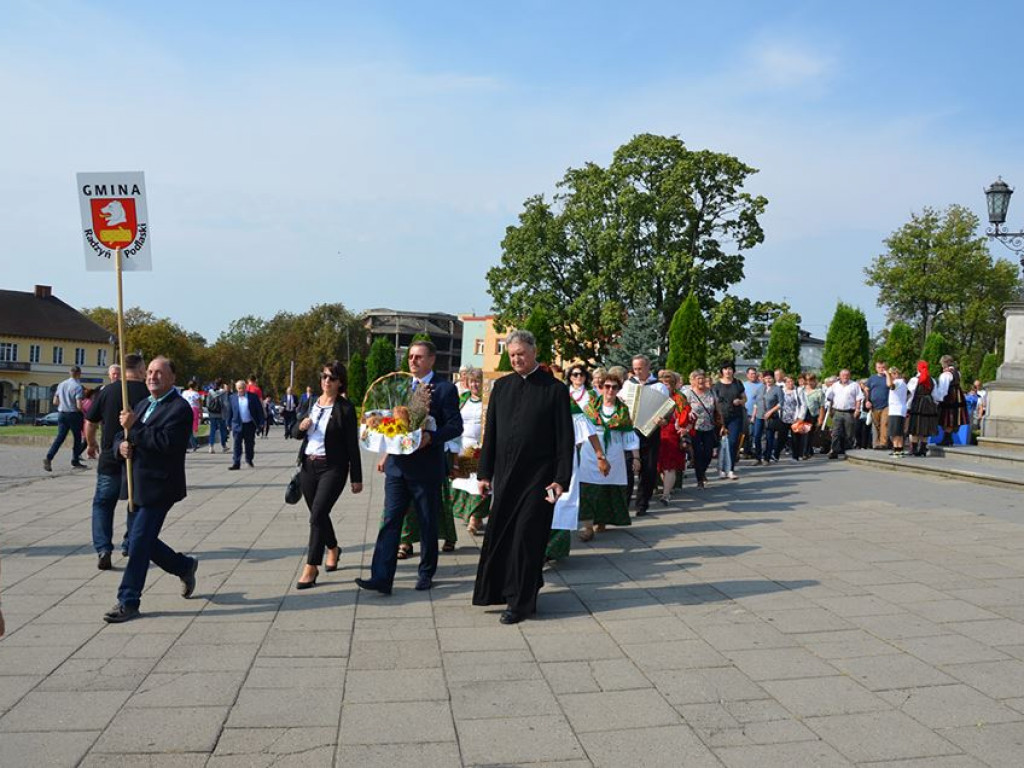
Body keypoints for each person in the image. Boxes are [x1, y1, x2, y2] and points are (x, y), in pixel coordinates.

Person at [472, 331, 573, 624]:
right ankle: (508, 590)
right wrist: (484, 473)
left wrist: (561, 480)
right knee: (502, 536)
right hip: (506, 477)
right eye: (512, 354)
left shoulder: (554, 390)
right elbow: (491, 435)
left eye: (521, 354)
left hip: (540, 480)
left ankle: (520, 602)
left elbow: (564, 440)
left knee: (526, 537)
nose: (516, 358)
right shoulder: (501, 387)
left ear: (534, 352)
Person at [357, 340, 462, 595]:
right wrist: (381, 438)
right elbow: (393, 421)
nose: (412, 361)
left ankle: (426, 573)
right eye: (411, 357)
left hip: (426, 468)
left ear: (431, 360)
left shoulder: (444, 389)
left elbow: (455, 426)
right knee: (390, 520)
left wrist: (431, 438)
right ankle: (381, 577)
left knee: (427, 522)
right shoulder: (401, 385)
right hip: (397, 467)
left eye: (418, 357)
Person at [103, 356, 199, 623]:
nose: (152, 377)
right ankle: (184, 566)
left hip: (159, 486)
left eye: (159, 373)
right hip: (136, 484)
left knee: (139, 544)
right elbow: (119, 437)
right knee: (137, 541)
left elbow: (167, 444)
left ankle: (128, 600)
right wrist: (120, 448)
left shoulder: (179, 409)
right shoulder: (143, 404)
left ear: (172, 378)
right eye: (150, 372)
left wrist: (135, 428)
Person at [292, 361, 363, 589]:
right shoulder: (312, 403)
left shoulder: (345, 408)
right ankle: (333, 547)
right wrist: (301, 427)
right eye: (323, 376)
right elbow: (293, 432)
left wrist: (356, 477)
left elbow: (352, 445)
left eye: (331, 378)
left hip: (333, 468)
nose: (326, 381)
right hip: (308, 467)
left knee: (317, 515)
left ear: (340, 382)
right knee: (319, 514)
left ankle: (311, 567)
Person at [85, 354, 149, 569]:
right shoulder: (148, 393)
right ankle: (130, 544)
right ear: (140, 370)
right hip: (138, 458)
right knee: (136, 503)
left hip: (109, 458)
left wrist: (91, 443)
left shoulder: (108, 391)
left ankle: (103, 548)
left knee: (103, 503)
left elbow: (90, 421)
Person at [577, 370, 636, 541]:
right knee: (588, 489)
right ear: (600, 388)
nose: (610, 390)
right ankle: (587, 527)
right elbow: (581, 430)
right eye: (606, 387)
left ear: (618, 389)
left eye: (614, 387)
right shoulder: (590, 407)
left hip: (615, 452)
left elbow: (629, 435)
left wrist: (636, 456)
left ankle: (601, 521)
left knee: (606, 489)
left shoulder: (623, 410)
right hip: (590, 452)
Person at [626, 355, 670, 516]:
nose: (637, 372)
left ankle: (642, 504)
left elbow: (667, 409)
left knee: (649, 469)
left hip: (650, 432)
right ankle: (625, 502)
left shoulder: (659, 387)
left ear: (647, 367)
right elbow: (621, 403)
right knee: (627, 467)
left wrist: (663, 419)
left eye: (640, 368)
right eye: (635, 369)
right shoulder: (628, 384)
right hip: (630, 430)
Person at [450, 368, 489, 535]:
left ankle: (475, 518)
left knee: (479, 482)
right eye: (472, 381)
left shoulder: (488, 400)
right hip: (463, 445)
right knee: (464, 482)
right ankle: (473, 516)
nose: (475, 384)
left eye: (478, 381)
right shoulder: (463, 399)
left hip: (482, 446)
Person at [44, 365, 87, 471]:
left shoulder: (61, 384)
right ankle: (75, 460)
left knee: (60, 437)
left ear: (70, 373)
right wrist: (84, 413)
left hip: (62, 413)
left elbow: (55, 401)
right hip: (74, 414)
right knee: (77, 438)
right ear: (79, 374)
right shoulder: (77, 386)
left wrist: (63, 403)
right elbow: (78, 405)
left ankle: (49, 456)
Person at [656, 371, 690, 504]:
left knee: (669, 466)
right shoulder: (656, 397)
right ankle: (665, 486)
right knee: (659, 464)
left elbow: (685, 415)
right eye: (663, 384)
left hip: (672, 434)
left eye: (668, 385)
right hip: (656, 434)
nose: (666, 387)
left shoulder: (679, 398)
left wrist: (684, 427)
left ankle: (666, 494)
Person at [685, 370, 719, 489]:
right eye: (698, 378)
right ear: (693, 380)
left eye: (702, 378)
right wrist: (688, 413)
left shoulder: (711, 392)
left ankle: (702, 471)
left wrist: (722, 423)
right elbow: (683, 409)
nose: (701, 381)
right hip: (695, 428)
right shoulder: (689, 394)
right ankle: (700, 479)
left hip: (709, 427)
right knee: (698, 453)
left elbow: (717, 409)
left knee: (709, 454)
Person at [712, 363, 746, 477]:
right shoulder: (717, 385)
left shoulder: (738, 383)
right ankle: (721, 468)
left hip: (735, 416)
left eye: (730, 369)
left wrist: (740, 401)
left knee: (732, 442)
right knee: (721, 443)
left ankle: (730, 469)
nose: (727, 371)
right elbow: (714, 402)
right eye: (725, 369)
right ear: (722, 371)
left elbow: (744, 397)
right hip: (721, 417)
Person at [226, 379, 265, 469]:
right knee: (237, 444)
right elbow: (229, 412)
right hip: (237, 424)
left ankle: (249, 460)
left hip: (249, 424)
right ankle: (236, 463)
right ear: (236, 389)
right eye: (239, 388)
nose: (241, 390)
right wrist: (228, 423)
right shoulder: (232, 398)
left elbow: (259, 410)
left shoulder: (253, 397)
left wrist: (261, 422)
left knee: (250, 444)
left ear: (246, 388)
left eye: (243, 388)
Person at [824, 369, 863, 459]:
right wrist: (830, 410)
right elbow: (830, 398)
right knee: (835, 432)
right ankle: (834, 451)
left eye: (847, 375)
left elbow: (859, 398)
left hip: (849, 412)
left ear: (849, 376)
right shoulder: (835, 385)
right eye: (843, 375)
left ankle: (849, 452)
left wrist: (857, 409)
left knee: (849, 433)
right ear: (840, 376)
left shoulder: (854, 385)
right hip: (837, 411)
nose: (845, 376)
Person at [907, 361, 940, 457]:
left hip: (917, 404)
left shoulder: (914, 380)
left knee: (915, 427)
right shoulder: (932, 380)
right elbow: (935, 395)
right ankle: (922, 449)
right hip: (929, 404)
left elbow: (911, 395)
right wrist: (935, 404)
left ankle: (914, 449)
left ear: (918, 368)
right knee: (925, 428)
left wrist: (908, 406)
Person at [936, 355, 969, 445]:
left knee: (947, 417)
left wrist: (938, 399)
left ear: (944, 363)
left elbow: (943, 389)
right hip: (957, 396)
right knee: (953, 417)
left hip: (949, 397)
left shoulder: (946, 374)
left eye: (942, 364)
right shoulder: (957, 372)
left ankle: (947, 439)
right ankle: (948, 438)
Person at [865, 361, 890, 450]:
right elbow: (867, 390)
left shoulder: (888, 378)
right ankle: (876, 443)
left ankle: (883, 443)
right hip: (874, 405)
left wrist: (887, 375)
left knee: (884, 423)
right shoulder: (872, 378)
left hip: (886, 405)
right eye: (879, 367)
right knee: (876, 425)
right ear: (876, 368)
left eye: (883, 367)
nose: (881, 369)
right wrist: (867, 401)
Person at [886, 366, 908, 457]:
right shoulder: (903, 383)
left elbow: (889, 385)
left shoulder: (898, 382)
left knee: (895, 433)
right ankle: (900, 449)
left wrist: (887, 374)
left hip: (895, 410)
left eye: (891, 375)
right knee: (899, 432)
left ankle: (897, 451)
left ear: (895, 374)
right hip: (900, 409)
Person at [801, 373, 824, 458]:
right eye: (807, 380)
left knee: (808, 433)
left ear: (814, 381)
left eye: (811, 380)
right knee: (802, 433)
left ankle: (805, 453)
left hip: (812, 414)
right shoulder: (801, 390)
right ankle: (808, 451)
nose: (809, 382)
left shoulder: (819, 392)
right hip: (802, 414)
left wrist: (820, 419)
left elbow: (822, 406)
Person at [742, 368, 763, 459]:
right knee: (747, 433)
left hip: (758, 413)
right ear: (747, 375)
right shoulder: (743, 385)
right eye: (750, 374)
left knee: (757, 434)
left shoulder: (761, 385)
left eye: (754, 373)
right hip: (745, 412)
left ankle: (757, 452)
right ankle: (747, 451)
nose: (752, 375)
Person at [206, 380, 229, 453]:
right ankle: (224, 446)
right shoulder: (224, 392)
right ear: (221, 385)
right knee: (223, 430)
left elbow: (207, 403)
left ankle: (211, 447)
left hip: (212, 414)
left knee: (212, 430)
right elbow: (225, 403)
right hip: (221, 414)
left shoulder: (210, 392)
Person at [180, 380, 203, 452]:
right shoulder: (196, 394)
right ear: (195, 386)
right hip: (194, 409)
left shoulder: (184, 393)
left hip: (185, 409)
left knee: (186, 428)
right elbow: (200, 404)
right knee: (193, 428)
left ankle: (192, 444)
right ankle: (194, 444)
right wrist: (201, 413)